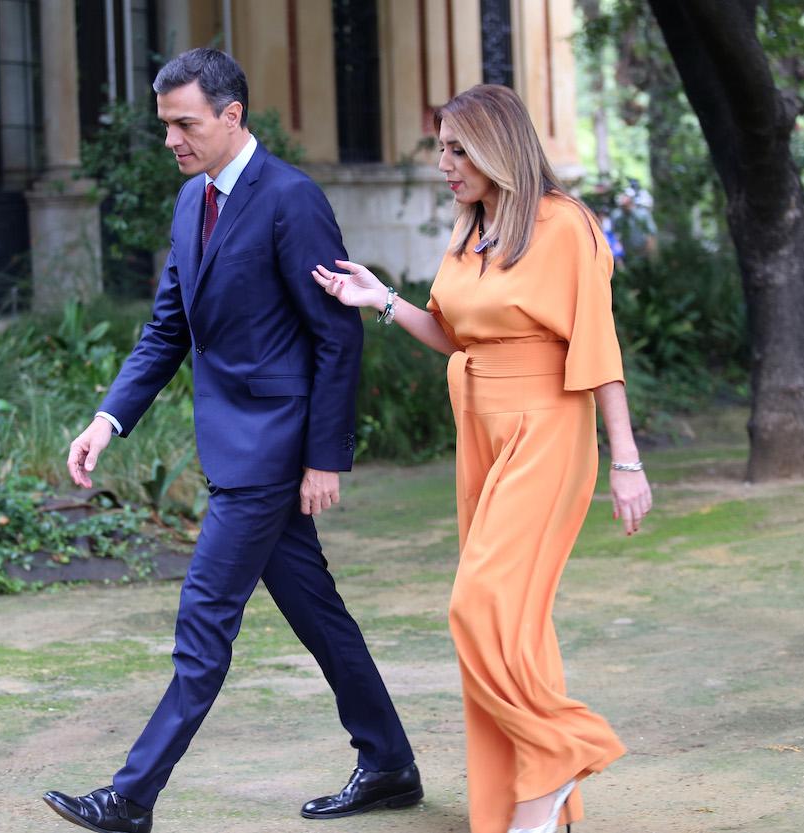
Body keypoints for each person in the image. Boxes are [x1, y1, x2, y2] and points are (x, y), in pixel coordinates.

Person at [44, 48, 423, 833]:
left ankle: (132, 796)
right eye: (166, 126)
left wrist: (324, 457)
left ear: (231, 116)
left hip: (272, 453)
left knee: (204, 619)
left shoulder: (292, 199)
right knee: (318, 613)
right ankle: (388, 761)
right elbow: (166, 330)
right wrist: (105, 419)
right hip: (236, 444)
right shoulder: (192, 203)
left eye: (184, 123)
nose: (173, 140)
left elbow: (336, 337)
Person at [313, 84, 652, 833]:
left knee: (479, 604)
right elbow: (454, 332)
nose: (444, 163)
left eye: (457, 148)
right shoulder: (473, 229)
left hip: (546, 429)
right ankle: (532, 807)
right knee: (516, 624)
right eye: (441, 147)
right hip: (481, 428)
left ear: (500, 146)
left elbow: (599, 349)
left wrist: (625, 461)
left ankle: (565, 753)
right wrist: (379, 299)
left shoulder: (563, 226)